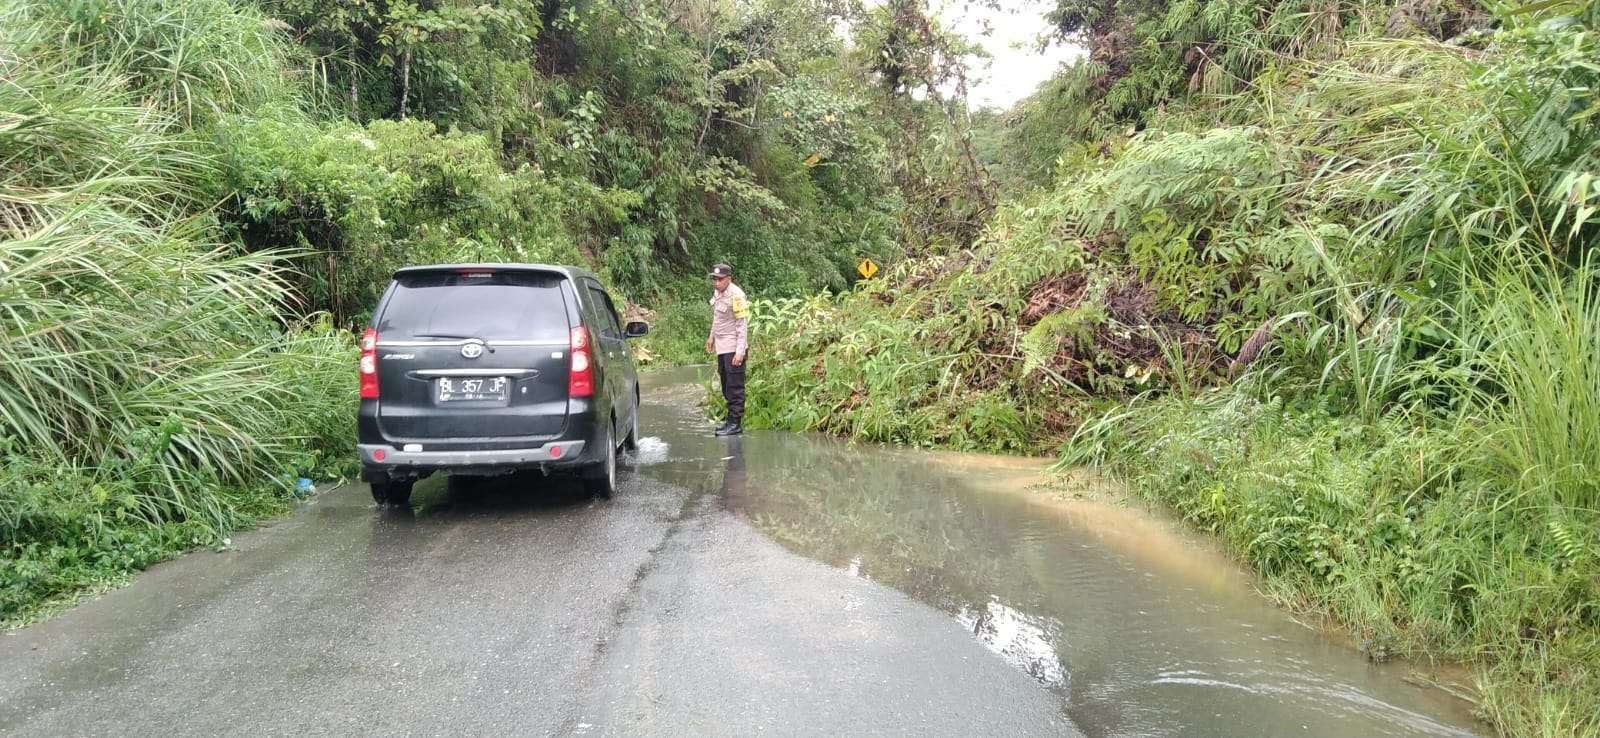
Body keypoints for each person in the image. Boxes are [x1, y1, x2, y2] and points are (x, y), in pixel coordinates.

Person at [705, 263, 749, 436]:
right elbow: (717, 318)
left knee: (735, 386)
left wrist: (740, 352)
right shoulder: (718, 293)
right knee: (725, 385)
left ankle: (735, 423)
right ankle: (729, 421)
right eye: (714, 279)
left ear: (729, 279)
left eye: (720, 279)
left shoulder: (737, 296)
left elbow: (742, 325)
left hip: (733, 346)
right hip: (722, 347)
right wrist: (711, 337)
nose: (716, 283)